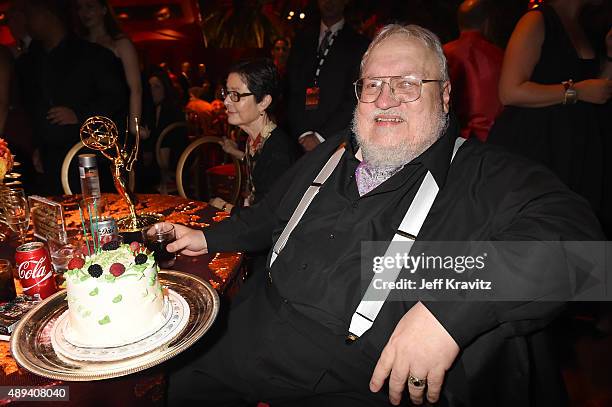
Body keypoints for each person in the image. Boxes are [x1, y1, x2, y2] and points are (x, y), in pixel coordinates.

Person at [166, 24, 602, 406]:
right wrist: (210, 238)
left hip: (358, 378)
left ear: (445, 95)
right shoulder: (334, 150)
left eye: (408, 83)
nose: (385, 98)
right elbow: (272, 213)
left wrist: (449, 309)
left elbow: (583, 253)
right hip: (253, 324)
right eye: (372, 84)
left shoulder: (484, 175)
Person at [488, 0, 612, 236]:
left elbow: (598, 90)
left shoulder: (585, 26)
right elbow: (510, 91)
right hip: (539, 145)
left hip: (577, 146)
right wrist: (577, 91)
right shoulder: (536, 20)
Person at [19, 0, 127, 195]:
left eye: (30, 14)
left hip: (88, 153)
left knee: (94, 212)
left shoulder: (93, 55)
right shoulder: (31, 61)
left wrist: (79, 114)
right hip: (49, 159)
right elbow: (33, 107)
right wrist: (37, 146)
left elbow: (117, 99)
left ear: (46, 13)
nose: (26, 22)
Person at [209, 58, 298, 213]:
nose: (226, 101)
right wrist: (236, 153)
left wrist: (224, 206)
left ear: (263, 102)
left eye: (235, 94)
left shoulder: (278, 152)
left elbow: (265, 219)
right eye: (227, 93)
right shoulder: (255, 140)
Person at [286, 0, 369, 152]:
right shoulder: (302, 39)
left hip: (337, 142)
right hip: (298, 140)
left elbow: (355, 97)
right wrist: (303, 133)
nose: (329, 2)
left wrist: (320, 137)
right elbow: (291, 88)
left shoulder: (358, 44)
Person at [75, 0, 142, 135]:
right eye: (80, 8)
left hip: (116, 121)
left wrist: (134, 127)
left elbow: (136, 88)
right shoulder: (78, 45)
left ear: (104, 10)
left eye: (90, 6)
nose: (84, 12)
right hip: (86, 120)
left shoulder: (120, 43)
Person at [443, 0, 503, 141]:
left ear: (459, 23)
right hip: (495, 138)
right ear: (487, 23)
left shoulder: (442, 53)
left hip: (453, 139)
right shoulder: (501, 55)